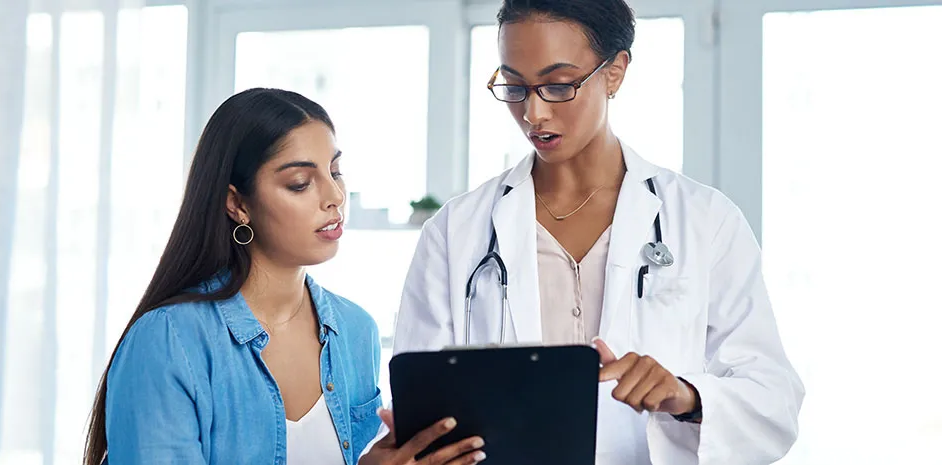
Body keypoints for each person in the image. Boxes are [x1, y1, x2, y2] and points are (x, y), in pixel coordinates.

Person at [385, 1, 805, 464]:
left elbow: (774, 400)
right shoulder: (455, 231)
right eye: (515, 86)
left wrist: (686, 396)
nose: (534, 113)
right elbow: (422, 400)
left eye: (558, 85)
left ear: (615, 72)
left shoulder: (705, 220)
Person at [82, 88, 486, 465]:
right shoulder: (169, 341)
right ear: (237, 203)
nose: (334, 196)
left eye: (335, 171)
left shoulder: (355, 331)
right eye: (300, 183)